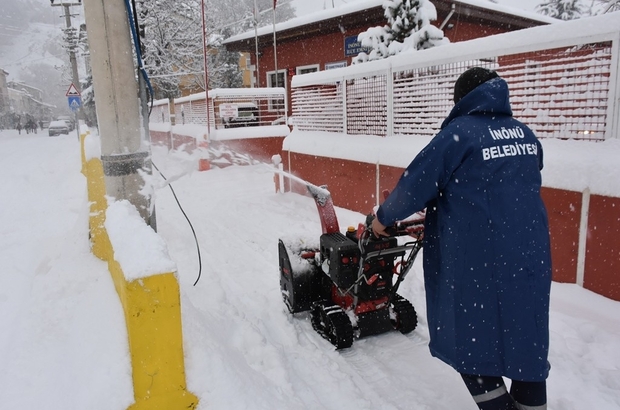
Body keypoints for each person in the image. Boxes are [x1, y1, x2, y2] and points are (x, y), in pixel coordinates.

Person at [371, 67, 552, 410]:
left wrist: (382, 220)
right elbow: (504, 186)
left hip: (479, 262)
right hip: (530, 258)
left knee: (472, 348)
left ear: (462, 100)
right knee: (525, 343)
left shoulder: (460, 134)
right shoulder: (525, 135)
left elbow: (413, 186)